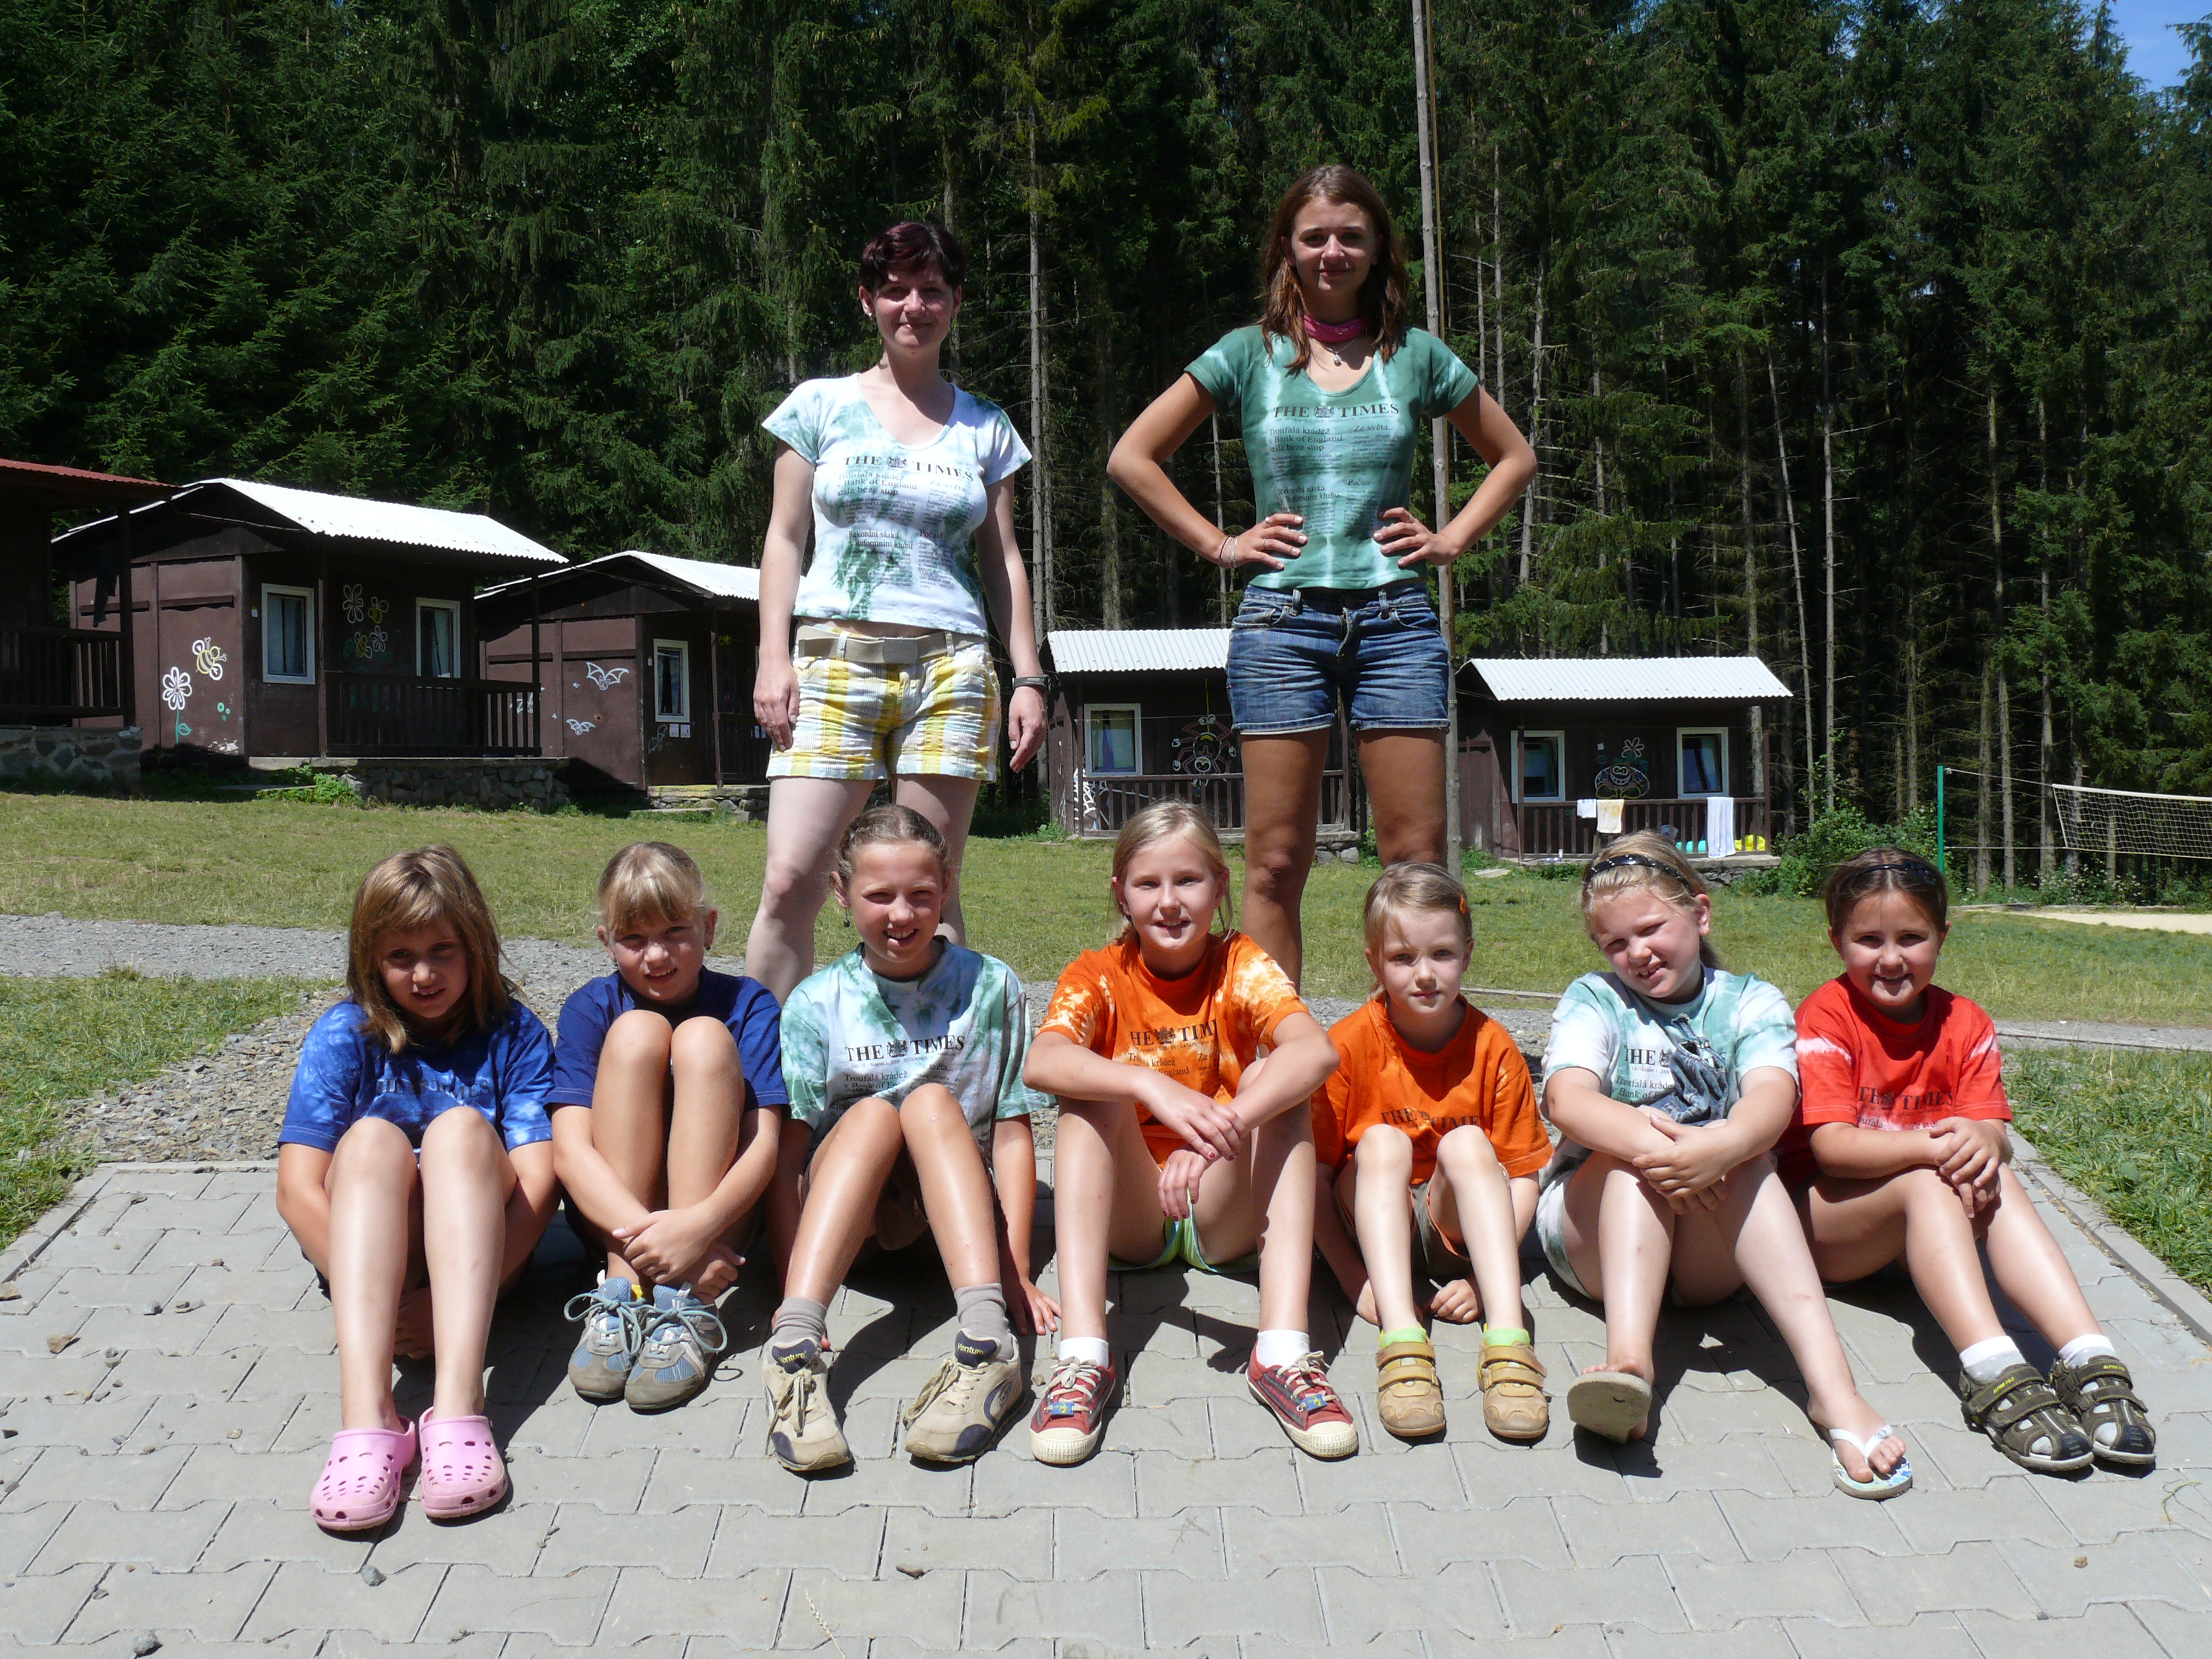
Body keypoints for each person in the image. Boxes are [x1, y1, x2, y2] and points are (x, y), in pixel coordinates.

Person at [1107, 164, 1537, 985]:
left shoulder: (1415, 356)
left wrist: (1451, 539)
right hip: (1280, 625)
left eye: (1351, 236)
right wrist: (1222, 545)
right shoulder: (1247, 354)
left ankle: (1414, 1040)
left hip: (1397, 622)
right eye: (1315, 237)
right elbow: (1132, 457)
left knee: (1416, 857)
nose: (1333, 251)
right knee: (1275, 860)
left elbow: (1515, 457)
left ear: (1378, 250)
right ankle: (1278, 1046)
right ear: (1288, 249)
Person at [1535, 832, 1912, 1499]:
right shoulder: (1595, 999)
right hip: (1593, 1237)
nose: (1636, 953)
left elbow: (1772, 1098)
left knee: (1749, 1158)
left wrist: (1719, 1151)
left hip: (1706, 1248)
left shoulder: (1749, 1001)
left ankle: (1834, 1391)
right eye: (1615, 943)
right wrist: (1673, 1154)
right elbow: (1567, 1099)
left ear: (1700, 914)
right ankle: (1630, 1367)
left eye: (1651, 929)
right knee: (1630, 1162)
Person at [745, 220, 1048, 1006]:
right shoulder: (818, 407)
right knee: (791, 880)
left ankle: (946, 1068)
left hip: (951, 671)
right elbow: (783, 539)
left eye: (932, 291)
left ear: (956, 303)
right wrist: (772, 658)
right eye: (896, 290)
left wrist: (1029, 678)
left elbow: (1002, 560)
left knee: (930, 889)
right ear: (867, 300)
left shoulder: (987, 426)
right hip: (830, 665)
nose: (914, 306)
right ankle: (767, 1070)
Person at [1789, 849, 2155, 1473]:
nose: (1891, 959)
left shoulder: (1966, 1021)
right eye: (1869, 940)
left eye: (1911, 938)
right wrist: (1935, 1148)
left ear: (1942, 936)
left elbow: (1994, 1133)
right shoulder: (1827, 1014)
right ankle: (1992, 1367)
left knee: (1994, 1171)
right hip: (1830, 1231)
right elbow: (1834, 1150)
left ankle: (2088, 1356)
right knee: (1930, 1180)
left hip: (1927, 1236)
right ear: (1836, 941)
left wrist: (1987, 1142)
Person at [1024, 801, 1352, 1466]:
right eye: (1148, 884)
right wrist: (1148, 1085)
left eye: (1189, 881)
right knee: (1091, 1093)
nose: (1169, 902)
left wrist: (1214, 1137)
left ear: (1220, 886)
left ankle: (1282, 1353)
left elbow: (1316, 1052)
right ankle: (1084, 1358)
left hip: (1223, 1205)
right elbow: (1042, 1061)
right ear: (1122, 895)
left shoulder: (1240, 962)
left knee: (1276, 1078)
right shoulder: (1099, 974)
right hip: (1133, 1215)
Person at [275, 847, 558, 1531]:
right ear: (370, 959)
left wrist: (446, 1305)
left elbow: (541, 1185)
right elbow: (297, 1189)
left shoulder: (514, 1033)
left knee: (460, 1129)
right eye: (401, 957)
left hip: (481, 1263)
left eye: (442, 951)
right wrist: (393, 1305)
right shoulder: (345, 1033)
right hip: (376, 1270)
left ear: (477, 945)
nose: (424, 974)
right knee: (372, 1139)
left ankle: (459, 1406)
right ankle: (368, 1418)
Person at [762, 806, 1051, 1472]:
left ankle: (988, 1342)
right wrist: (787, 1291)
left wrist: (1015, 1270)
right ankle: (794, 1352)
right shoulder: (816, 1003)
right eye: (879, 896)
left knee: (928, 1103)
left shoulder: (992, 986)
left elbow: (1012, 1130)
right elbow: (790, 1156)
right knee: (872, 1115)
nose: (902, 914)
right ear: (841, 894)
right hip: (850, 1235)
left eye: (921, 894)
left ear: (946, 887)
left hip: (954, 1237)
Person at [1310, 864, 1552, 1442]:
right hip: (1370, 1224)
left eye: (1441, 954)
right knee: (1381, 1141)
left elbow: (1524, 1177)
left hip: (1452, 1234)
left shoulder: (1494, 1048)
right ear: (1375, 963)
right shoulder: (1347, 1045)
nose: (1424, 975)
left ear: (1467, 954)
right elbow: (1311, 1181)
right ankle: (1402, 1342)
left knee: (1467, 1143)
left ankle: (1508, 1341)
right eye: (1402, 958)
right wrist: (1353, 1280)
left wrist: (1482, 1281)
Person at [551, 842, 785, 1413]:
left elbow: (765, 1144)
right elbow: (570, 1150)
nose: (656, 956)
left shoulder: (749, 1003)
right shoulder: (589, 1008)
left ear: (709, 927)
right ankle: (623, 1292)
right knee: (637, 1033)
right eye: (633, 940)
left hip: (717, 1219)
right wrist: (651, 1243)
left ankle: (684, 1305)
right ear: (607, 941)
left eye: (675, 933)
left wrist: (698, 1229)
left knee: (704, 1036)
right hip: (615, 1227)